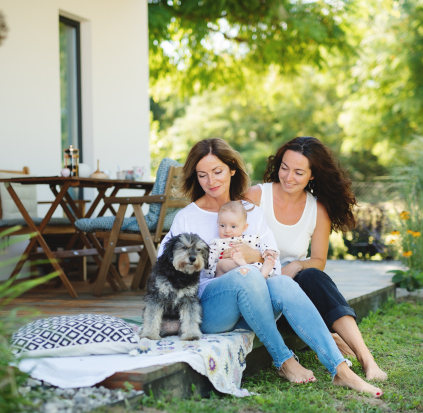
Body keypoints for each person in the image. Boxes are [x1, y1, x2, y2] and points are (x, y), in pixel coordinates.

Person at [158, 138, 382, 396]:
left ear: (232, 170)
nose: (211, 181)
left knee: (283, 282)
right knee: (245, 274)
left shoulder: (251, 212)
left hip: (250, 306)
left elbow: (273, 270)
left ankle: (341, 371)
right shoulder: (188, 216)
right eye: (202, 175)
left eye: (217, 172)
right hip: (206, 308)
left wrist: (255, 256)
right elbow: (165, 271)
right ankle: (284, 361)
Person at [244, 136, 388, 381]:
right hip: (257, 285)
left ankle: (367, 359)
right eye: (284, 168)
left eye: (299, 172)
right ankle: (329, 336)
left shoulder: (317, 209)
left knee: (312, 275)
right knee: (299, 281)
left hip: (296, 290)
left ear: (312, 175)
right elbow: (237, 247)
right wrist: (277, 268)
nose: (289, 177)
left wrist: (297, 264)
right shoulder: (255, 197)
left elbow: (319, 260)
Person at [206, 200, 280, 279]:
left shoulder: (250, 239)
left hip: (251, 269)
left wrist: (267, 251)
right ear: (218, 223)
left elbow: (261, 246)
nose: (227, 230)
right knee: (222, 263)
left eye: (233, 226)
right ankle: (242, 266)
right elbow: (208, 262)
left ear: (244, 227)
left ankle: (261, 273)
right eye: (222, 225)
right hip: (229, 275)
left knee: (258, 264)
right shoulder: (216, 243)